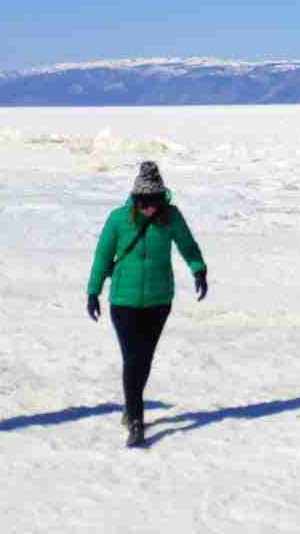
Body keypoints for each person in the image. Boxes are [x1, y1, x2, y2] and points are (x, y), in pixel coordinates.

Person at [86, 160, 208, 447]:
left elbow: (187, 245)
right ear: (135, 199)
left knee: (145, 357)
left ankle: (130, 406)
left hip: (159, 299)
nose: (149, 209)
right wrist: (93, 291)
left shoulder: (171, 217)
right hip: (124, 302)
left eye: (154, 203)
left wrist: (198, 268)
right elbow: (103, 256)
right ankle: (137, 420)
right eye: (143, 203)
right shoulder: (118, 219)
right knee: (133, 358)